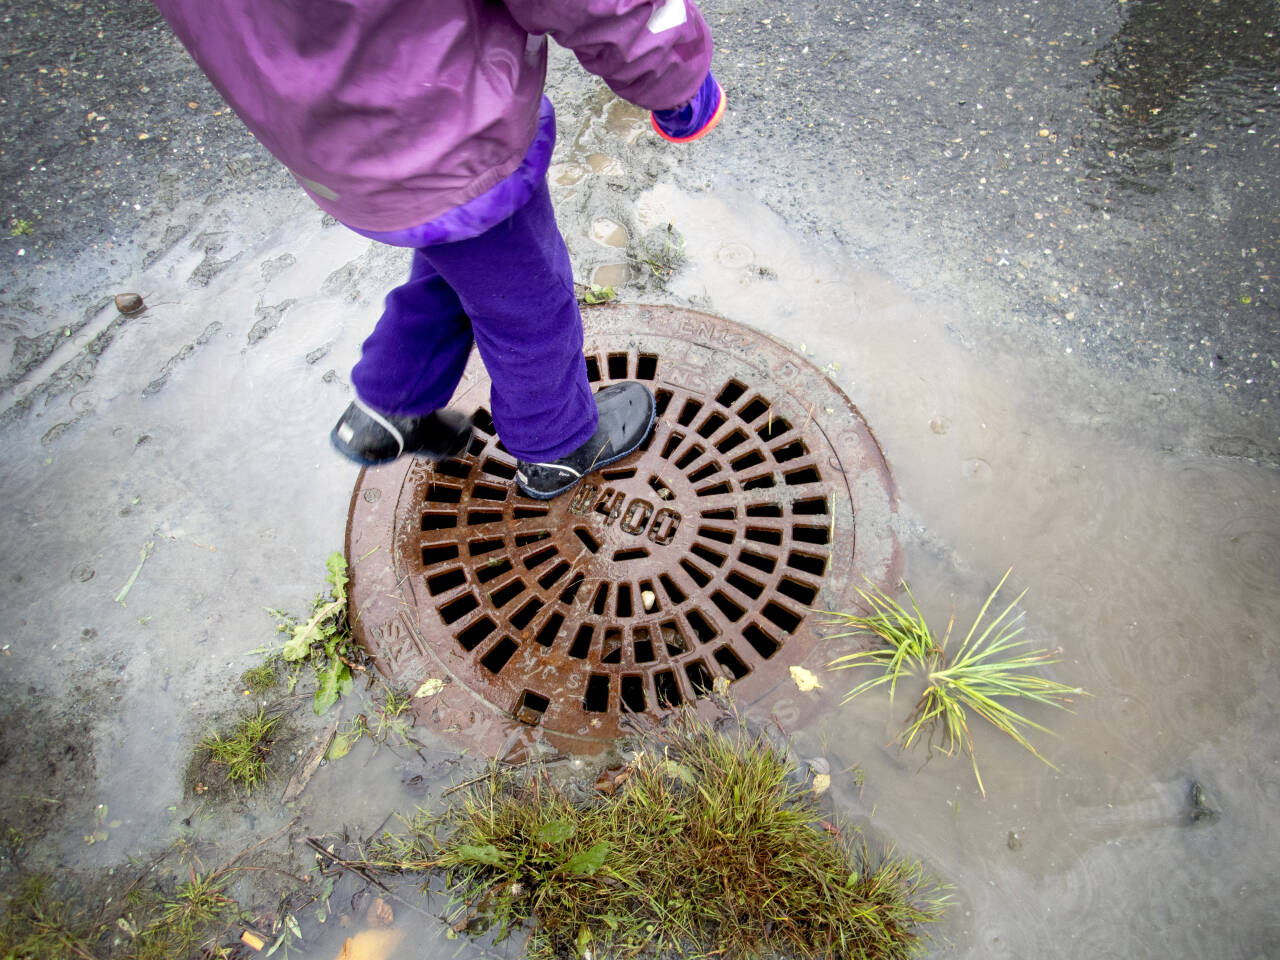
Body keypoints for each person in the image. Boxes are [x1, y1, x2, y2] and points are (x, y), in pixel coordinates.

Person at [151, 0, 725, 500]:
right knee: (529, 306)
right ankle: (558, 446)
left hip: (329, 138)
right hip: (450, 128)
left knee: (456, 263)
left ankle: (389, 406)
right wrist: (671, 76)